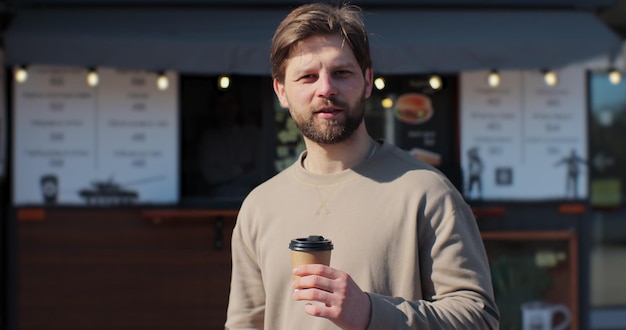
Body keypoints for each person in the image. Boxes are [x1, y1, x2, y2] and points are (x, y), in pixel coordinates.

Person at [226, 3, 500, 329]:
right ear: (281, 91)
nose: (326, 88)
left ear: (368, 81)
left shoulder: (426, 192)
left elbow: (478, 318)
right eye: (307, 77)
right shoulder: (259, 207)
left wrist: (371, 313)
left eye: (341, 73)